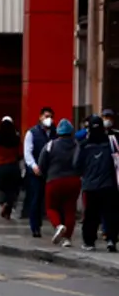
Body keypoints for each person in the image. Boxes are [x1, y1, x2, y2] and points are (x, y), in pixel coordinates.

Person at [73, 115, 119, 252]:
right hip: (108, 185)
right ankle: (111, 240)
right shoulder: (110, 143)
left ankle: (89, 242)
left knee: (91, 215)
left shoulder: (84, 145)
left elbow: (76, 164)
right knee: (110, 214)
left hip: (90, 186)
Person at [37, 118, 82, 247]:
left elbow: (41, 164)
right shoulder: (77, 145)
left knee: (51, 207)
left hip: (54, 180)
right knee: (70, 210)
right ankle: (67, 238)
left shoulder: (50, 145)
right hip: (73, 181)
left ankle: (58, 226)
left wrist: (45, 175)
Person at [22, 106, 56, 237]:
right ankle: (35, 227)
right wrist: (33, 166)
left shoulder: (55, 133)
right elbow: (27, 152)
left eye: (51, 117)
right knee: (36, 199)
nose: (49, 119)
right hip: (36, 173)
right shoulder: (32, 133)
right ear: (40, 117)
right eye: (46, 116)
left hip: (51, 172)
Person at [0, 116, 23, 219]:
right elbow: (20, 153)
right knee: (12, 189)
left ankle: (3, 204)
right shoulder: (16, 138)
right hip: (13, 166)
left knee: (0, 188)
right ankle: (9, 205)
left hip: (0, 167)